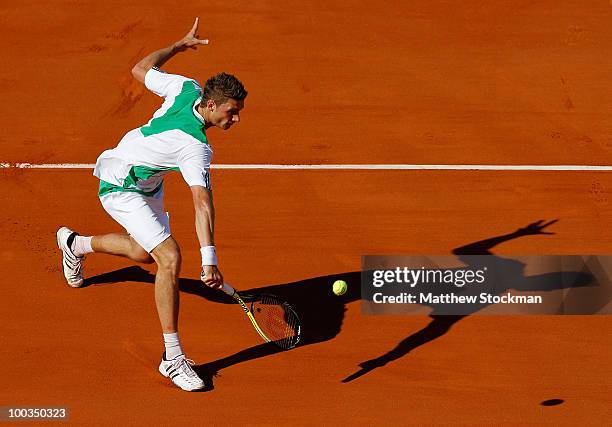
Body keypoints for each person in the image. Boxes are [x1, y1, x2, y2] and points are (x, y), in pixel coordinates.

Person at [56, 18, 247, 391]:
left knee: (146, 254)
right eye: (231, 111)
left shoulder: (185, 87)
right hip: (119, 183)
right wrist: (209, 259)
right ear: (210, 105)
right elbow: (202, 203)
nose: (236, 118)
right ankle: (172, 358)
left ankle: (74, 244)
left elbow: (142, 69)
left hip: (147, 185)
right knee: (170, 257)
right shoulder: (195, 147)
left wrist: (176, 46)